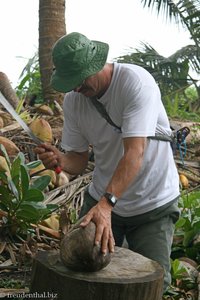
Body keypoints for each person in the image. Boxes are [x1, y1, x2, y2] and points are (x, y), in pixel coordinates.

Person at [35, 32, 180, 291]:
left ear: (97, 63)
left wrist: (106, 205)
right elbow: (78, 161)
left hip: (151, 203)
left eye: (80, 79)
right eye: (71, 83)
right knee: (77, 269)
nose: (76, 88)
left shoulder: (135, 83)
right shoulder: (74, 101)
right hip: (102, 198)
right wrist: (59, 160)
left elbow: (134, 153)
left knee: (151, 284)